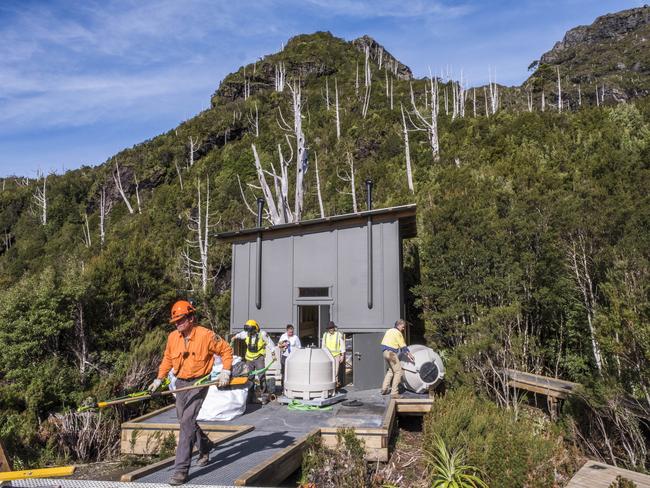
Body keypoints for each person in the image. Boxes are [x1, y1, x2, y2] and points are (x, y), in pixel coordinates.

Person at [148, 300, 233, 486]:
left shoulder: (206, 335)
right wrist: (158, 379)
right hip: (180, 383)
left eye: (181, 320)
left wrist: (226, 371)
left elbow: (226, 350)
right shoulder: (172, 337)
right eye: (175, 321)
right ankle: (204, 446)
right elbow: (168, 359)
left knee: (186, 421)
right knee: (183, 419)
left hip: (199, 382)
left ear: (191, 318)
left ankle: (181, 471)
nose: (177, 324)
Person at [230, 319, 276, 398]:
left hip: (259, 358)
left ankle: (264, 392)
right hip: (249, 358)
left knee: (261, 375)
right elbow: (240, 335)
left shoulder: (262, 334)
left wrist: (273, 353)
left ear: (255, 328)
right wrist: (234, 337)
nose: (249, 333)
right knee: (249, 376)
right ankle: (250, 394)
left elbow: (270, 343)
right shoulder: (246, 333)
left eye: (250, 331)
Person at [380, 319, 415, 398]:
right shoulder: (398, 333)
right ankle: (394, 393)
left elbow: (383, 343)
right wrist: (410, 355)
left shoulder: (389, 331)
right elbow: (403, 346)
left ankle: (384, 389)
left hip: (385, 352)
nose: (403, 329)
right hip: (391, 353)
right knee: (399, 371)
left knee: (391, 371)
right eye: (403, 327)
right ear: (399, 325)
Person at [322, 321, 345, 388]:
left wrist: (342, 356)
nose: (331, 329)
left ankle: (335, 386)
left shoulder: (338, 334)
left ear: (334, 328)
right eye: (329, 328)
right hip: (327, 356)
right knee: (328, 370)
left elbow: (342, 346)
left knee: (335, 371)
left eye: (332, 328)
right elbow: (323, 346)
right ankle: (328, 386)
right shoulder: (325, 335)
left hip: (336, 356)